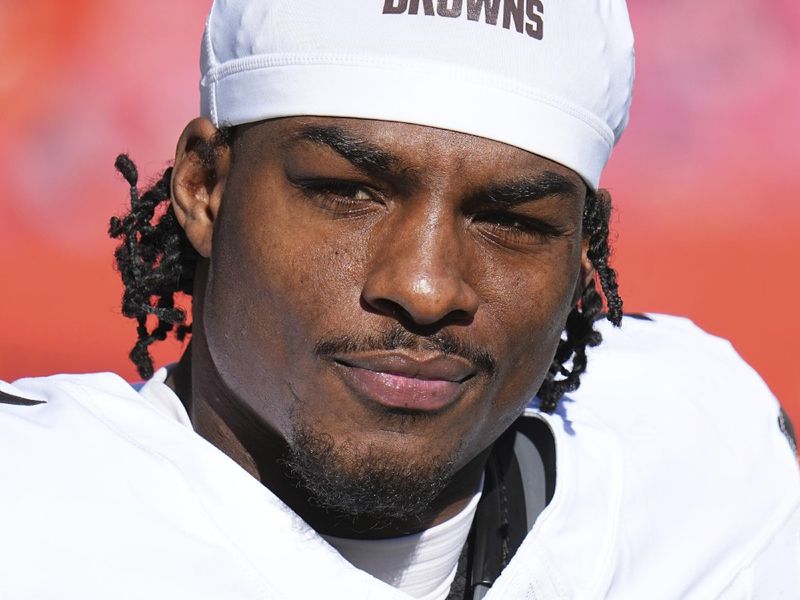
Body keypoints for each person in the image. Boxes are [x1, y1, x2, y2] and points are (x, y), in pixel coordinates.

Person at [1, 1, 797, 598]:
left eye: (511, 220)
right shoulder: (33, 510)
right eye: (349, 193)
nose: (425, 287)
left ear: (581, 248)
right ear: (204, 188)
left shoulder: (699, 458)